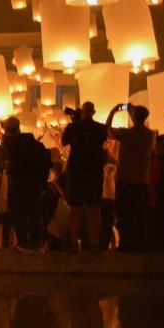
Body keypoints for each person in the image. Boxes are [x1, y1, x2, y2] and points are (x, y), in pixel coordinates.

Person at [106, 103, 155, 251]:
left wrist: (114, 110)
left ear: (133, 117)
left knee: (124, 213)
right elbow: (138, 125)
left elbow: (107, 129)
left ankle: (126, 243)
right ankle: (141, 244)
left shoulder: (125, 134)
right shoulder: (150, 135)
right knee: (140, 214)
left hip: (125, 179)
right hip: (142, 179)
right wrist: (132, 112)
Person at [61, 101, 109, 250]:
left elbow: (63, 142)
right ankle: (94, 243)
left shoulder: (74, 127)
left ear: (82, 111)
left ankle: (74, 243)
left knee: (75, 208)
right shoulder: (100, 128)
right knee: (94, 209)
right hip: (94, 172)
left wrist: (75, 122)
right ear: (94, 112)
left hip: (76, 171)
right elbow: (103, 140)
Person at [1, 118, 50, 251]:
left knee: (17, 212)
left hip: (18, 182)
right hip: (35, 183)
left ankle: (23, 241)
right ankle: (36, 241)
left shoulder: (9, 142)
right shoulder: (31, 141)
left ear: (7, 129)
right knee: (33, 212)